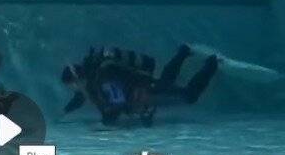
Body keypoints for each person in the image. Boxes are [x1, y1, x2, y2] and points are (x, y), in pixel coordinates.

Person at [61, 44, 218, 126]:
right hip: (145, 86)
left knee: (188, 96)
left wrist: (106, 123)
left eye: (73, 84)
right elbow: (79, 99)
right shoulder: (91, 82)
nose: (74, 88)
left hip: (145, 91)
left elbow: (118, 103)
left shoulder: (103, 80)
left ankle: (212, 65)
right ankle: (183, 53)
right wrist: (63, 113)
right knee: (166, 82)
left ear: (78, 79)